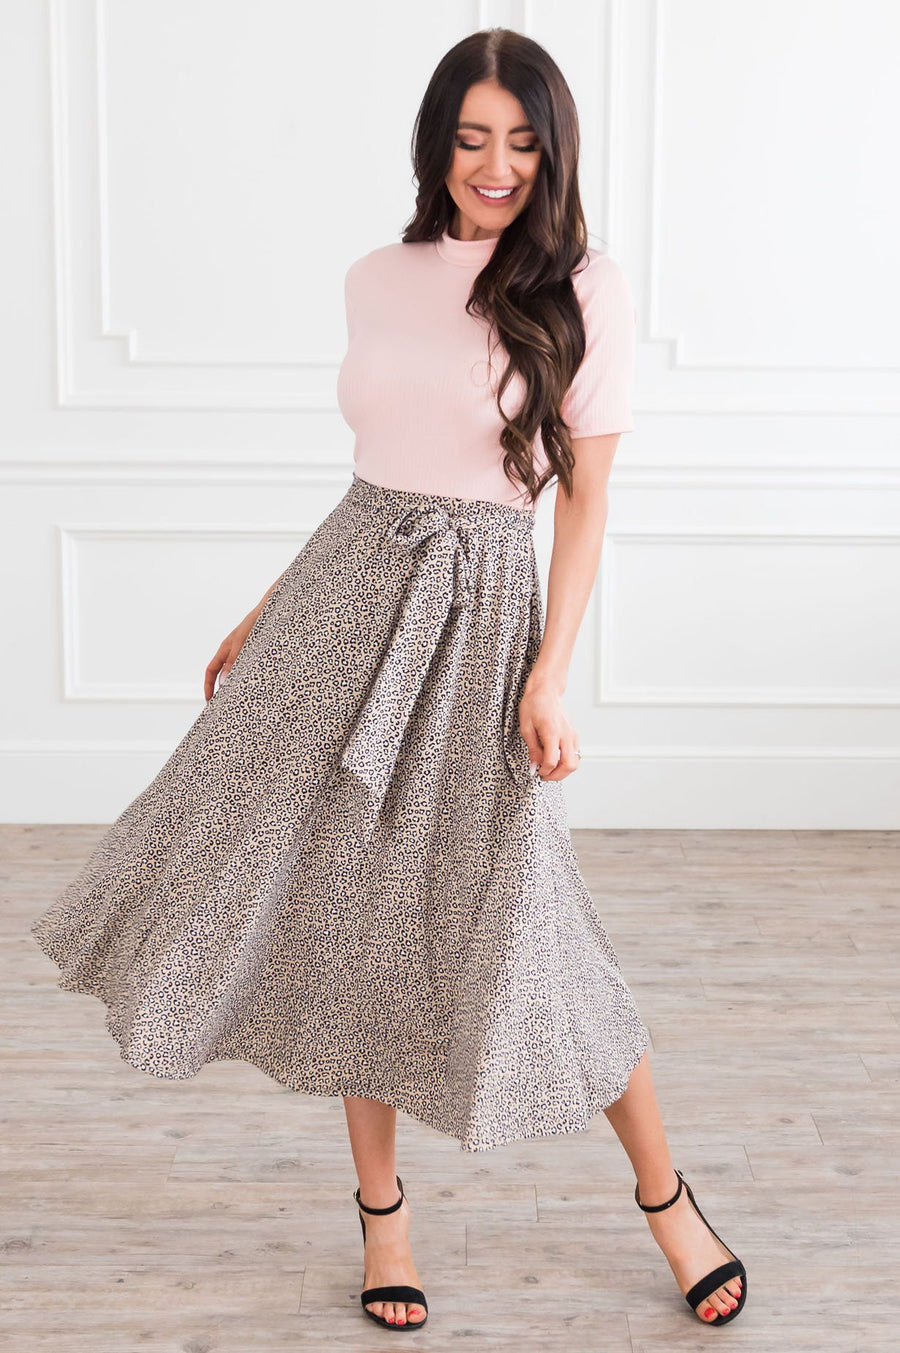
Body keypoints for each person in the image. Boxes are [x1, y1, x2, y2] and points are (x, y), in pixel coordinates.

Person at [30, 27, 747, 1336]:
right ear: (437, 145)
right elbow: (375, 479)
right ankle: (383, 1217)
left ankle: (666, 1195)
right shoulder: (377, 277)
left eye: (520, 141)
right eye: (472, 139)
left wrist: (551, 676)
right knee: (349, 915)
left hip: (481, 625)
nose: (495, 165)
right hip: (344, 604)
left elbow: (585, 503)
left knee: (535, 922)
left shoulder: (584, 289)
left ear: (553, 152)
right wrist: (269, 609)